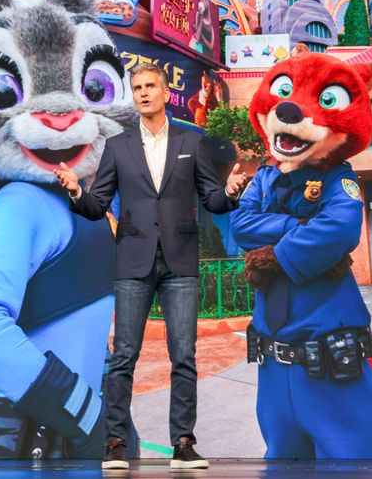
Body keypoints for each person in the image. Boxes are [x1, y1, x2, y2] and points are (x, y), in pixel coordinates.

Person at [54, 62, 247, 471]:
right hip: (132, 262)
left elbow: (212, 199)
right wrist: (75, 191)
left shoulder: (191, 143)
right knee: (124, 356)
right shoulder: (118, 146)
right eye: (136, 87)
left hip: (181, 263)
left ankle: (183, 443)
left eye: (149, 86)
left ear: (164, 93)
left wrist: (229, 192)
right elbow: (96, 206)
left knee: (184, 357)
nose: (142, 93)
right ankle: (116, 443)